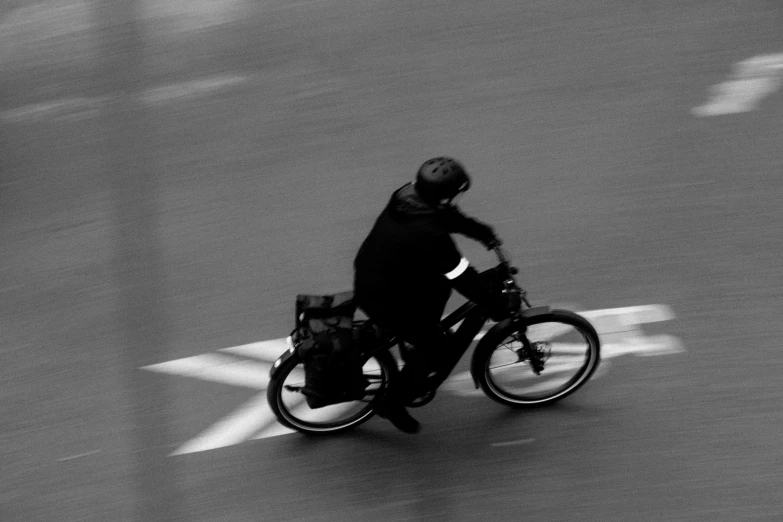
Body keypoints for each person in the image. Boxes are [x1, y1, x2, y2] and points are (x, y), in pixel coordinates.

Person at [353, 157, 513, 434]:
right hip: (384, 296)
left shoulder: (408, 197)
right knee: (435, 350)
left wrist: (482, 233)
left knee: (438, 286)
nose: (456, 198)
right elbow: (461, 275)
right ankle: (392, 403)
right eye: (455, 193)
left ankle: (414, 339)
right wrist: (496, 305)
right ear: (442, 195)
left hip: (382, 274)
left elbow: (446, 216)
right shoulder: (429, 234)